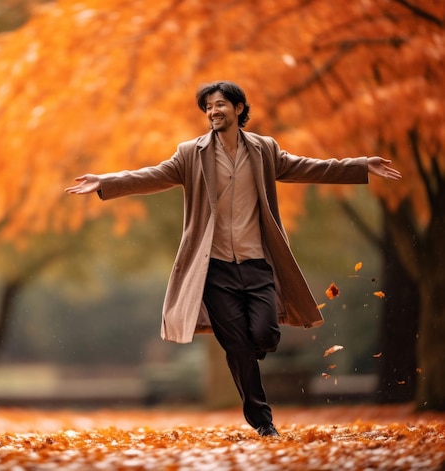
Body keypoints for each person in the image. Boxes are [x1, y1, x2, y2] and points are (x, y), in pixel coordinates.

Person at [65, 80, 402, 437]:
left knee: (266, 335)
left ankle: (250, 359)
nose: (213, 111)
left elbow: (309, 167)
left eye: (220, 104)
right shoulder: (190, 154)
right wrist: (105, 181)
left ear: (239, 108)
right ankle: (263, 421)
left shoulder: (264, 150)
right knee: (239, 348)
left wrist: (361, 165)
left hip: (258, 265)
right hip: (214, 271)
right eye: (208, 107)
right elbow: (152, 175)